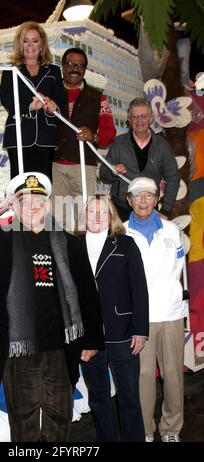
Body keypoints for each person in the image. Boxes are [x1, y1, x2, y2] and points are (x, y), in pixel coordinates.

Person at [0, 171, 104, 442]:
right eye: (24, 201)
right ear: (15, 207)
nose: (32, 207)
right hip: (18, 350)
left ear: (47, 205)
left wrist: (91, 339)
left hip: (60, 348)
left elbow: (87, 293)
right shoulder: (1, 241)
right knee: (23, 420)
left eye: (38, 201)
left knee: (60, 416)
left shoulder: (69, 243)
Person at [79, 195, 149, 441]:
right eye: (91, 212)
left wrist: (141, 330)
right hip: (89, 337)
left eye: (103, 212)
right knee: (98, 396)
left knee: (129, 396)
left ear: (111, 217)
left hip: (123, 334)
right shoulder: (73, 245)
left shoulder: (126, 244)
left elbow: (139, 289)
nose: (97, 217)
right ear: (84, 215)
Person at [125, 176, 186, 442]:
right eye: (138, 196)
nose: (143, 200)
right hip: (139, 319)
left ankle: (171, 428)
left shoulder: (171, 230)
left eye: (149, 195)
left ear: (156, 200)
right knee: (143, 376)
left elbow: (178, 268)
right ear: (129, 200)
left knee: (173, 375)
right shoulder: (121, 233)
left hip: (170, 314)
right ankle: (146, 430)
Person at [52, 47, 116, 231]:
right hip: (55, 165)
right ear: (63, 67)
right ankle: (62, 258)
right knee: (58, 218)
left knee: (84, 218)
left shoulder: (99, 98)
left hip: (84, 165)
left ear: (85, 70)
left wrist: (94, 136)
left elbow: (109, 133)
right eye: (70, 64)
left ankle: (82, 257)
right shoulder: (51, 93)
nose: (75, 68)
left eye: (80, 65)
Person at [0, 21, 66, 180]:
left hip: (46, 135)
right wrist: (29, 107)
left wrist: (52, 107)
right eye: (25, 40)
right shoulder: (10, 71)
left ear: (42, 44)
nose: (30, 45)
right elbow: (7, 99)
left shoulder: (54, 71)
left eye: (35, 40)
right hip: (18, 134)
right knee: (19, 186)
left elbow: (61, 100)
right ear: (19, 44)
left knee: (43, 185)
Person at [100, 97, 179, 221]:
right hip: (120, 208)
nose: (139, 120)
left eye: (143, 116)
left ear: (151, 119)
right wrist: (112, 171)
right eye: (135, 116)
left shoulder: (163, 146)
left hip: (149, 209)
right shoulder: (119, 143)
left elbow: (173, 178)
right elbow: (103, 174)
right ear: (129, 119)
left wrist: (166, 211)